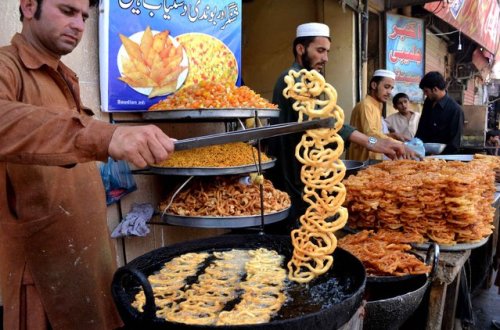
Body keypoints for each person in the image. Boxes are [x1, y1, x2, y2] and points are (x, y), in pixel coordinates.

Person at [0, 0, 175, 329]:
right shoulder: (7, 66)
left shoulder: (65, 76)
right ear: (27, 6)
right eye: (67, 11)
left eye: (84, 16)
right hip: (43, 283)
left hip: (90, 262)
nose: (79, 24)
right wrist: (104, 137)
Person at [269, 22, 416, 228]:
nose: (326, 58)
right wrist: (372, 143)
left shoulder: (312, 81)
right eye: (320, 51)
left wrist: (376, 142)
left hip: (305, 176)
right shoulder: (293, 80)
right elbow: (324, 122)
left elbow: (330, 121)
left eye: (327, 52)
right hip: (293, 175)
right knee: (298, 233)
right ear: (300, 49)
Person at [347, 69, 403, 161]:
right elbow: (370, 135)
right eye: (386, 87)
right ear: (374, 85)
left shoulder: (377, 105)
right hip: (362, 160)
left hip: (373, 158)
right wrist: (398, 144)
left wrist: (391, 136)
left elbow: (374, 133)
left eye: (391, 88)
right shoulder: (366, 105)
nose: (389, 92)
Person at [415, 71, 464, 154]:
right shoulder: (428, 102)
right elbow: (421, 129)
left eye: (426, 91)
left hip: (443, 160)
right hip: (423, 156)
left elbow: (454, 144)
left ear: (435, 89)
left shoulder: (455, 110)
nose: (425, 94)